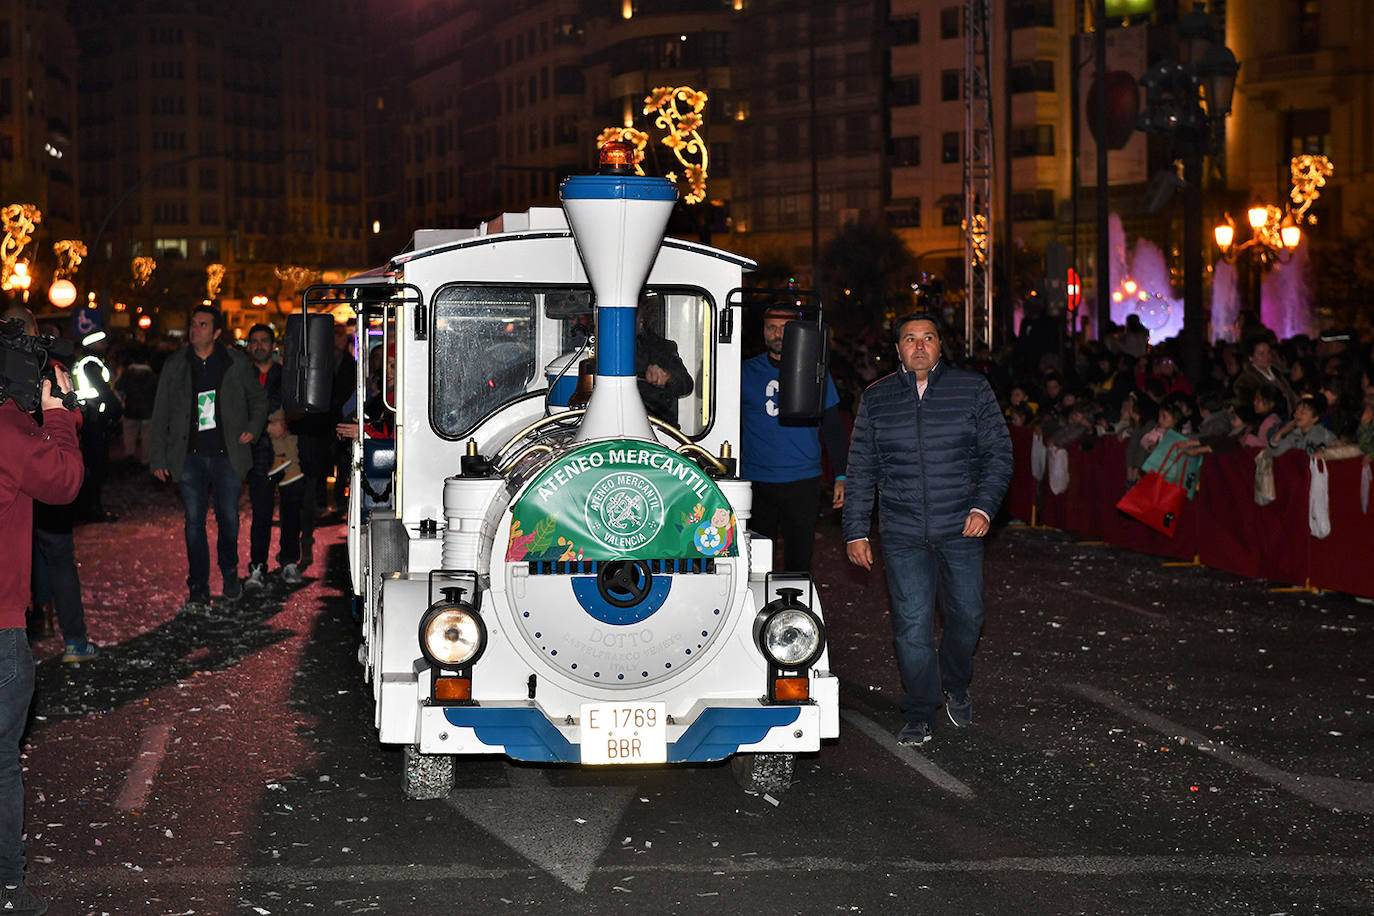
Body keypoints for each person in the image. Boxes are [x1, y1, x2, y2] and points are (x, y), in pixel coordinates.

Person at [843, 312, 1012, 747]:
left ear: (940, 346)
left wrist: (984, 508)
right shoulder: (876, 398)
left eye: (928, 338)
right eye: (910, 339)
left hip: (962, 526)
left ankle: (954, 681)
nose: (919, 346)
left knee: (969, 614)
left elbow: (999, 455)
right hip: (901, 531)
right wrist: (856, 530)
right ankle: (920, 709)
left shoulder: (971, 389)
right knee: (912, 624)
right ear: (897, 349)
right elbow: (861, 468)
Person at [1, 347, 83, 916]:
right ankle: (6, 887)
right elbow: (63, 478)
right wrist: (58, 413)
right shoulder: (6, 428)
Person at [149, 305, 267, 606]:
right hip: (188, 455)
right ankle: (198, 584)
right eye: (193, 323)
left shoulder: (234, 362)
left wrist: (253, 428)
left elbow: (258, 397)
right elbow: (161, 409)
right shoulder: (177, 364)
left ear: (216, 332)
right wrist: (159, 457)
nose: (194, 329)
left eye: (202, 324)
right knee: (194, 522)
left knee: (228, 518)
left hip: (227, 454)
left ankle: (229, 572)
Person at [740, 306, 848, 572]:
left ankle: (794, 613)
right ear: (763, 332)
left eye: (784, 328)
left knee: (799, 561)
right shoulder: (743, 371)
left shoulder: (815, 371)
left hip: (802, 480)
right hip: (756, 481)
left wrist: (842, 475)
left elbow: (833, 427)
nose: (777, 334)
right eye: (771, 328)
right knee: (755, 563)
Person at [244, 324, 305, 592]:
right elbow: (236, 411)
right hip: (258, 454)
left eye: (263, 341)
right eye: (254, 341)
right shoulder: (243, 376)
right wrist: (266, 426)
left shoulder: (287, 375)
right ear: (249, 347)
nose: (259, 345)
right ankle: (257, 565)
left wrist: (287, 425)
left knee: (292, 510)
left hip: (289, 452)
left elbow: (301, 408)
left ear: (273, 345)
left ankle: (290, 560)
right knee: (261, 513)